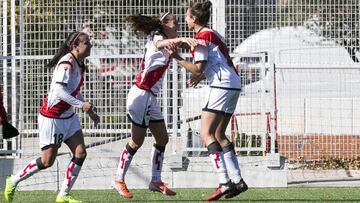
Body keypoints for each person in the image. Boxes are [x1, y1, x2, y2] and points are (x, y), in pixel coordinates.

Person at [4, 31, 100, 203]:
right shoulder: (66, 64)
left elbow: (73, 91)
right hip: (53, 117)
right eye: (87, 43)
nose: (90, 45)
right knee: (47, 161)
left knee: (80, 153)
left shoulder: (79, 64)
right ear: (75, 46)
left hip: (68, 117)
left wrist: (88, 109)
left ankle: (63, 195)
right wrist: (81, 105)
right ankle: (13, 180)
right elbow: (58, 92)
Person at [112, 12, 198, 198]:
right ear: (164, 25)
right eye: (174, 22)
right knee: (136, 141)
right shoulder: (158, 38)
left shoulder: (168, 40)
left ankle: (155, 180)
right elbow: (161, 44)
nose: (178, 25)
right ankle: (118, 179)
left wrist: (197, 41)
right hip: (141, 95)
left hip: (150, 98)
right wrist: (184, 39)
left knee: (162, 139)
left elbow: (175, 46)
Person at [170, 1, 248, 201]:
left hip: (221, 86)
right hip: (233, 83)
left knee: (206, 133)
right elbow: (216, 63)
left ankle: (224, 182)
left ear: (194, 19)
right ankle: (237, 180)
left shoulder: (201, 38)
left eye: (187, 16)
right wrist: (201, 74)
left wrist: (176, 57)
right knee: (220, 134)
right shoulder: (213, 33)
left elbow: (198, 68)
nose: (185, 19)